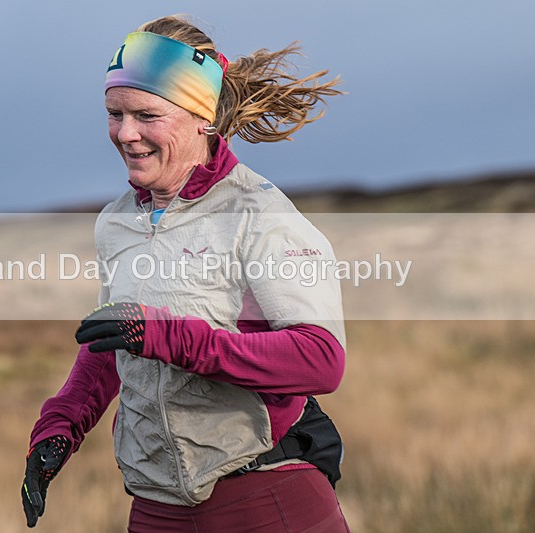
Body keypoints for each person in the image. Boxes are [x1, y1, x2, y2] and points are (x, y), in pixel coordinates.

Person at [22, 15, 349, 532]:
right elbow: (116, 337)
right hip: (156, 511)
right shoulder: (117, 222)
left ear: (203, 117)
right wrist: (60, 426)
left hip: (264, 499)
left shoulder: (257, 214)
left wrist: (171, 338)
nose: (125, 134)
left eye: (146, 115)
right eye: (114, 114)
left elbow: (321, 360)